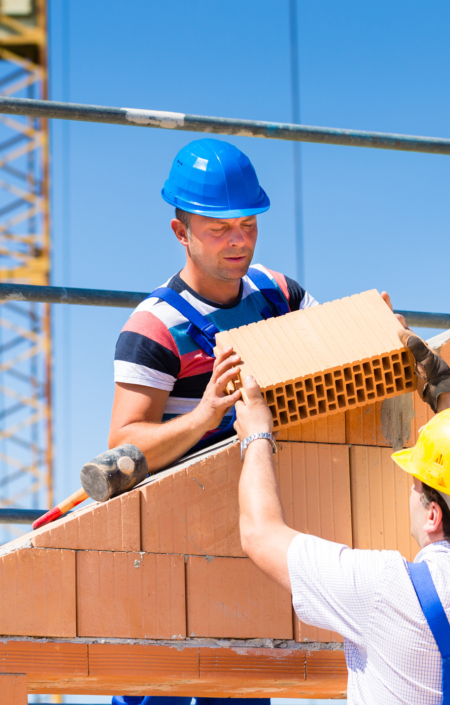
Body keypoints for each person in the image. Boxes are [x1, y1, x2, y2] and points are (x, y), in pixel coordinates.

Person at [233, 330, 450, 705]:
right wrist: (441, 386)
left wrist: (255, 434)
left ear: (433, 515)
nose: (410, 491)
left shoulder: (388, 592)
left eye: (416, 483)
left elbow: (259, 533)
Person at [108, 138, 317, 705]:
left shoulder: (279, 296)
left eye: (248, 224)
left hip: (254, 540)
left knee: (244, 688)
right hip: (176, 548)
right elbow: (124, 445)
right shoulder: (153, 328)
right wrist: (205, 414)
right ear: (181, 233)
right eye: (219, 228)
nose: (239, 241)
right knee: (160, 689)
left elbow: (332, 353)